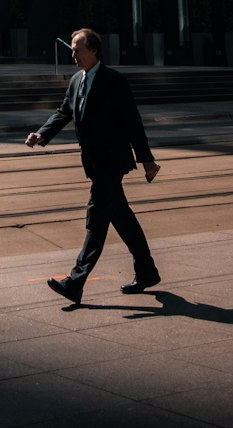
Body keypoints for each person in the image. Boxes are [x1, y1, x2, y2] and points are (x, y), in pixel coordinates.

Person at [25, 26, 161, 305]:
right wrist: (42, 134)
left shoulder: (114, 81)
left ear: (94, 50)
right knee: (121, 217)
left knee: (96, 221)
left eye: (77, 49)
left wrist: (146, 159)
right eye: (72, 50)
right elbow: (64, 111)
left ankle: (76, 281)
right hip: (94, 162)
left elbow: (132, 122)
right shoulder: (77, 79)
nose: (72, 54)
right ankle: (147, 271)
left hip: (112, 162)